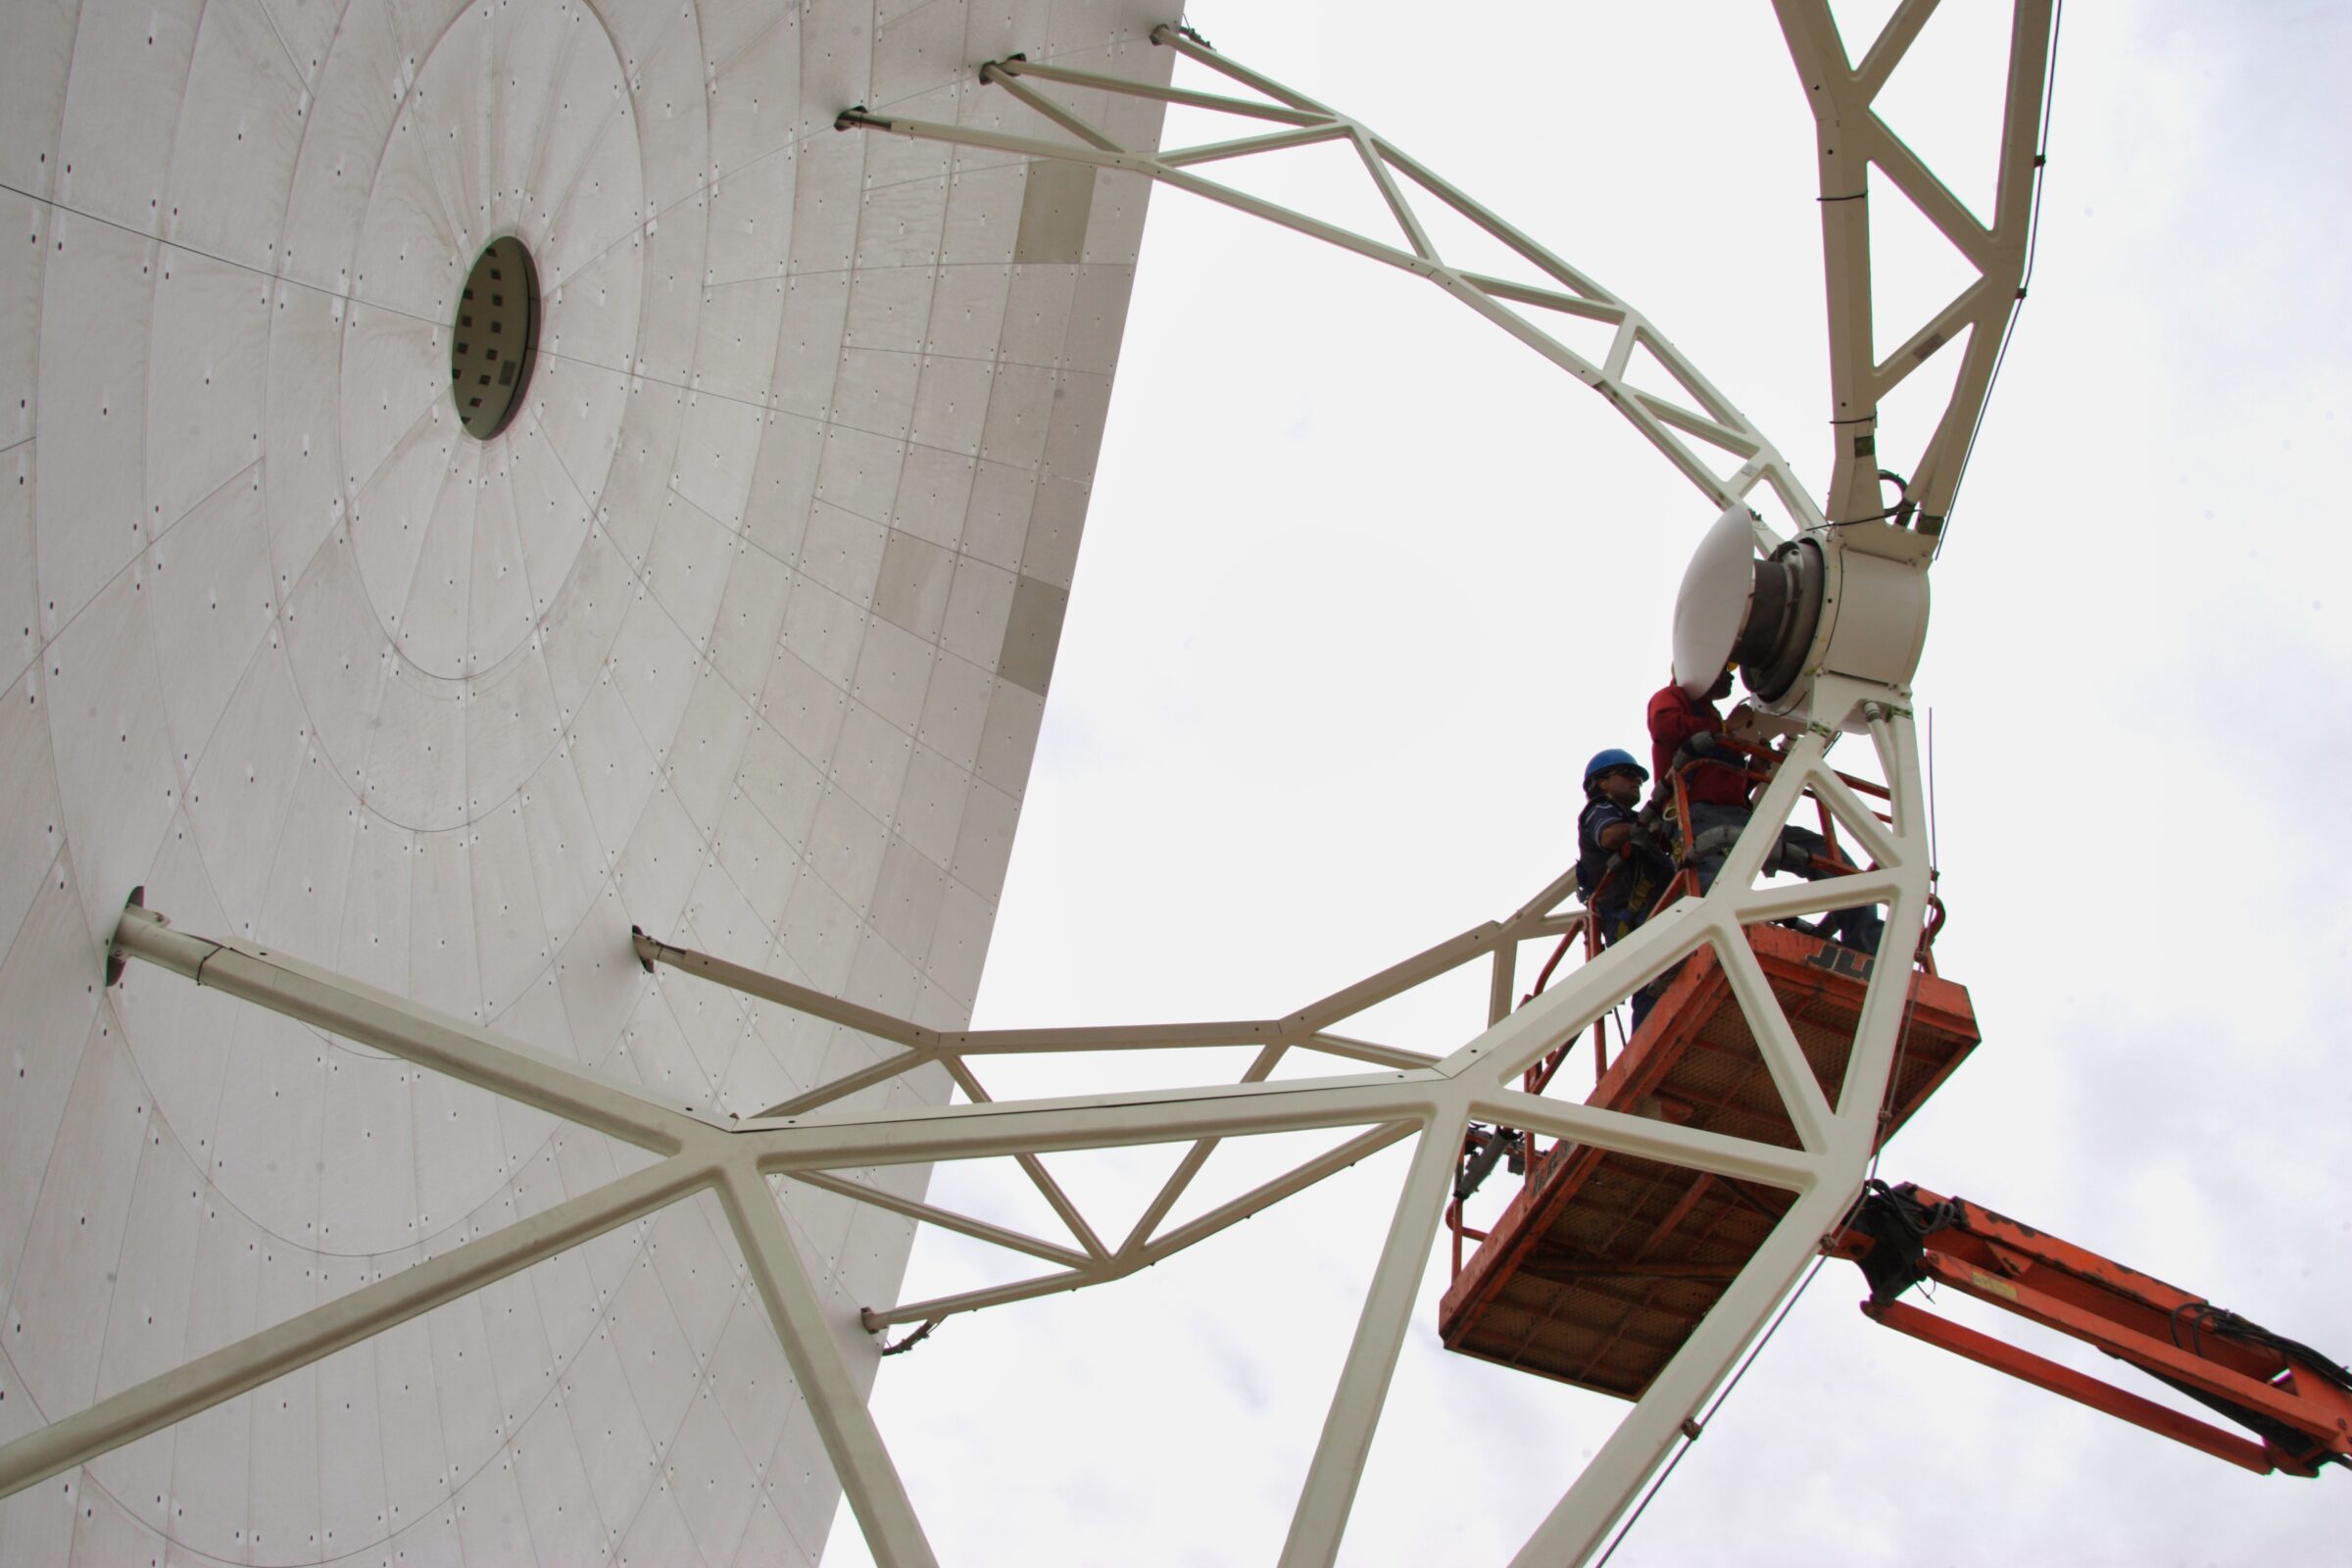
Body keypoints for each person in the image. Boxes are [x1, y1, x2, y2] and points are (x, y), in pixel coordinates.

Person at [1645, 668, 1885, 955]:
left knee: (1828, 856)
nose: (1733, 676)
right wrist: (1725, 733)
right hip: (1699, 816)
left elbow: (1720, 781)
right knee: (1713, 889)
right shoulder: (1673, 698)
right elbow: (1665, 725)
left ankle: (1868, 948)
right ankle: (1703, 950)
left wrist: (1752, 770)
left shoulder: (1713, 718)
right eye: (1725, 668)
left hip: (1738, 818)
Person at [1577, 749, 1676, 1031]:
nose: (1637, 781)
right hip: (1631, 915)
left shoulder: (1631, 818)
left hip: (1649, 911)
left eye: (1640, 778)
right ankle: (1648, 1044)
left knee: (1656, 977)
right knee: (1651, 981)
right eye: (1627, 774)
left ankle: (1650, 1043)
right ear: (1602, 783)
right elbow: (1609, 836)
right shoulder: (1601, 810)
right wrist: (1645, 823)